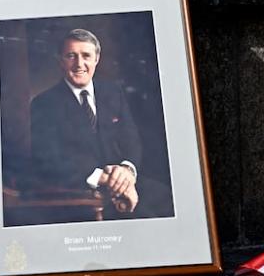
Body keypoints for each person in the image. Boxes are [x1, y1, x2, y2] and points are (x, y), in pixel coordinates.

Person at [28, 28, 172, 220]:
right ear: (60, 61)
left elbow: (131, 139)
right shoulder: (43, 103)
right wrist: (105, 179)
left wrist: (128, 170)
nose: (80, 64)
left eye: (86, 55)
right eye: (71, 56)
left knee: (168, 203)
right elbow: (48, 159)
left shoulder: (113, 92)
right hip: (80, 192)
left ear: (96, 58)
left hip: (124, 181)